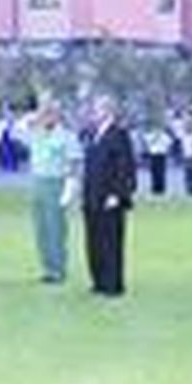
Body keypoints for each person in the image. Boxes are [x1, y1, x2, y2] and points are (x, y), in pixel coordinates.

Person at [81, 95, 136, 297]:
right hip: (92, 197)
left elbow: (125, 167)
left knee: (110, 241)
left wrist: (117, 194)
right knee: (94, 240)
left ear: (108, 111)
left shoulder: (119, 135)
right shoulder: (93, 135)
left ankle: (113, 283)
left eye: (97, 110)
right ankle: (98, 281)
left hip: (109, 198)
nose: (94, 114)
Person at [25, 102, 77, 284]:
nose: (45, 118)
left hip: (56, 182)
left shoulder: (66, 136)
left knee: (56, 229)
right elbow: (19, 130)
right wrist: (33, 119)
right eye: (43, 114)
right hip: (38, 182)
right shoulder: (36, 134)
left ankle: (58, 269)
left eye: (49, 114)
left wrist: (70, 189)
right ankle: (47, 267)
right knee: (41, 229)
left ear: (57, 116)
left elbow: (74, 163)